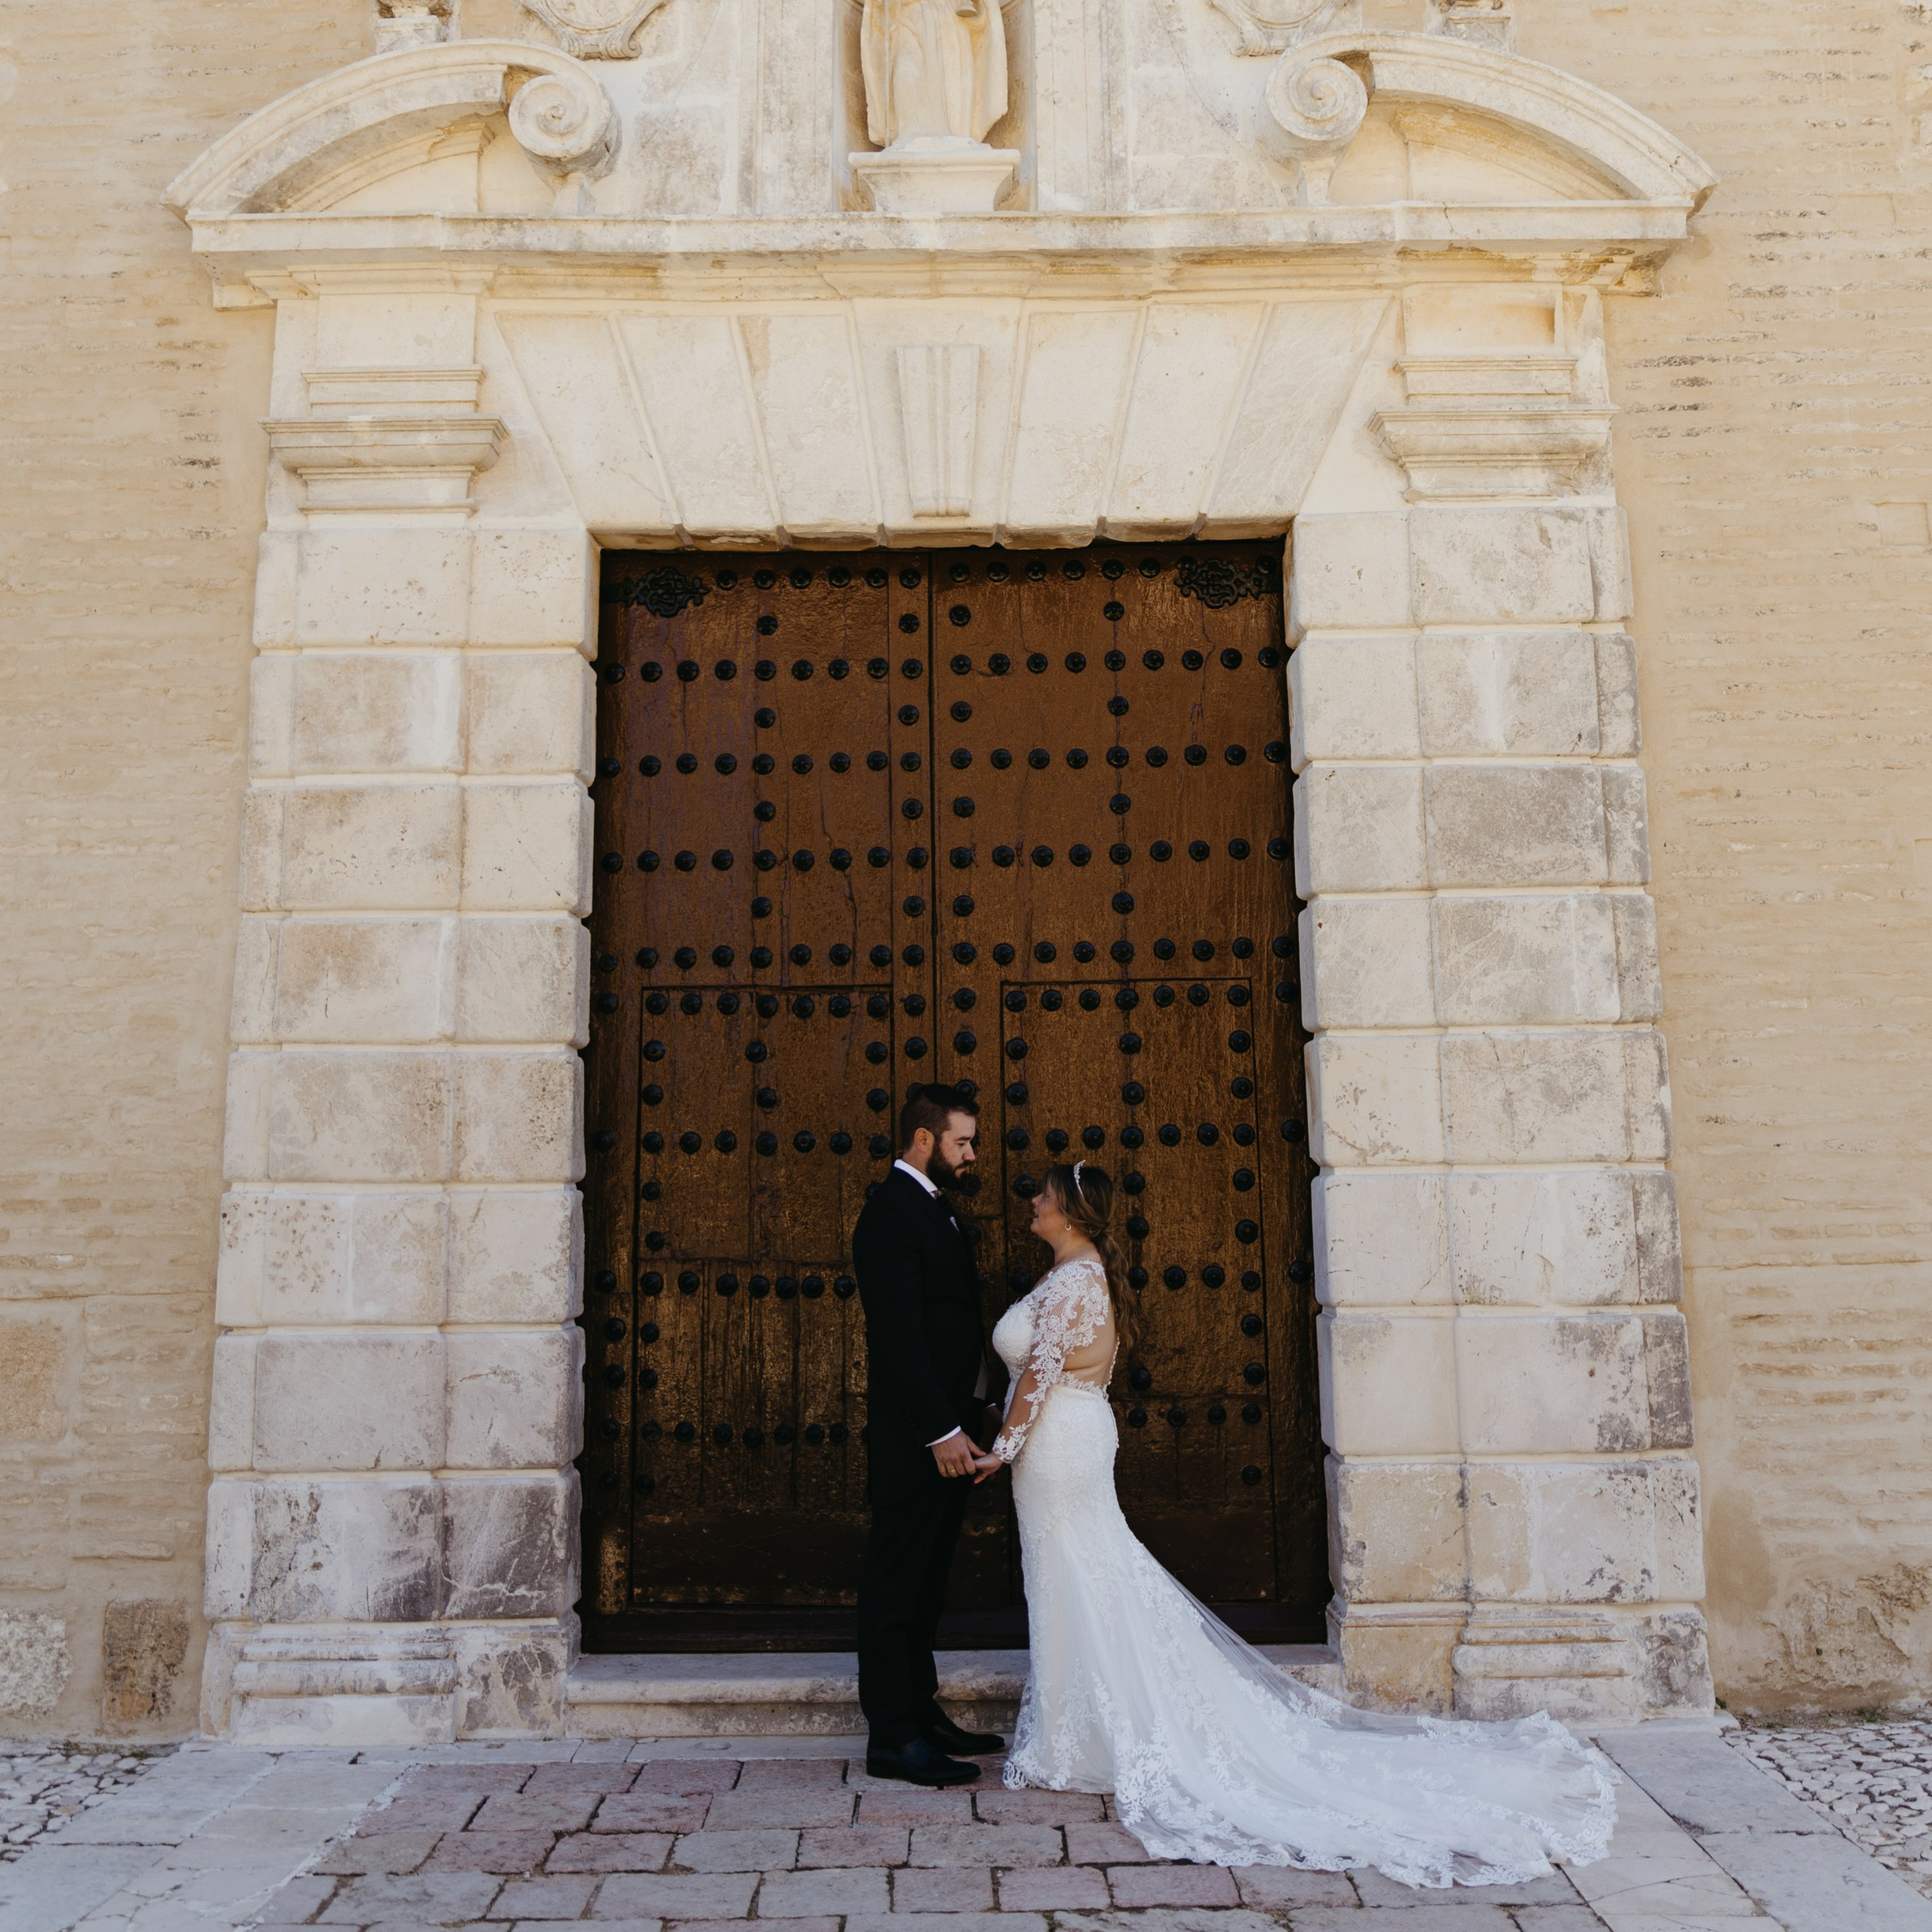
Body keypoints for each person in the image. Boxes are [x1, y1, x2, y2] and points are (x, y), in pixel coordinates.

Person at [971, 1161, 1622, 1888]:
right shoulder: (1081, 1276)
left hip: (1058, 1443)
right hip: (1071, 1435)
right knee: (1081, 1573)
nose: (1033, 1202)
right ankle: (1081, 1732)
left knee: (1076, 1572)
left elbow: (1040, 1373)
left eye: (1044, 1196)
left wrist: (1003, 1448)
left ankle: (1079, 1739)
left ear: (1072, 1211)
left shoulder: (1073, 1282)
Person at [851, 1083, 1008, 1787]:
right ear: (924, 1140)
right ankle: (892, 1736)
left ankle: (921, 1712)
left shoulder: (932, 1206)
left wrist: (980, 1410)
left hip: (953, 1429)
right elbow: (900, 1336)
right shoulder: (891, 1212)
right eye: (962, 1142)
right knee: (896, 1582)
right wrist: (941, 1429)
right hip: (920, 1438)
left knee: (927, 1582)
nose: (971, 1155)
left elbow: (948, 1326)